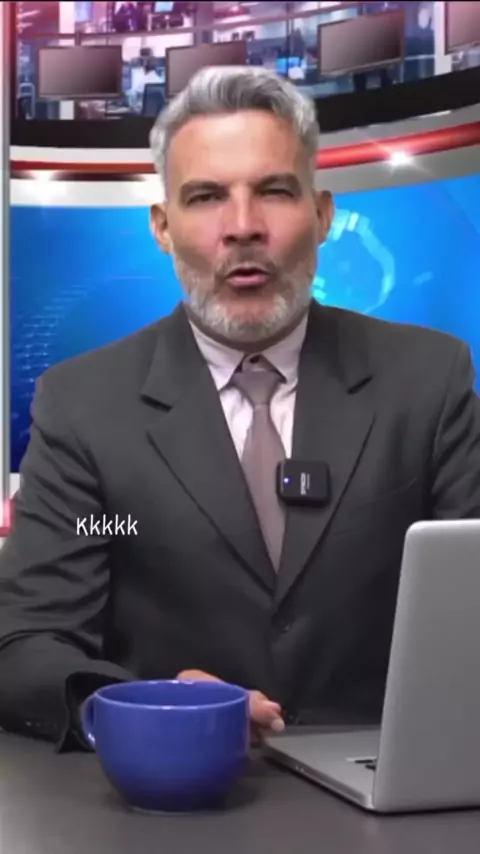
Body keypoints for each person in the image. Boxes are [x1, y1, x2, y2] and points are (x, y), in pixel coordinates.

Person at [0, 66, 479, 752]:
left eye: (275, 191)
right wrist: (147, 706)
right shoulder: (83, 407)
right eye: (206, 197)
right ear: (162, 227)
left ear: (323, 215)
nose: (243, 228)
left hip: (394, 782)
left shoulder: (428, 380)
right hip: (172, 791)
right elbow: (26, 645)